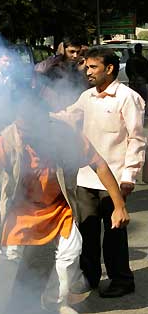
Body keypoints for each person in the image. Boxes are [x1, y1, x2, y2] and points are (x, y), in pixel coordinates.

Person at [0, 81, 131, 314]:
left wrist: (118, 205)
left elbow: (100, 165)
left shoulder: (64, 133)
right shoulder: (8, 139)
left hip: (58, 206)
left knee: (72, 250)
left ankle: (54, 302)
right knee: (8, 257)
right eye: (20, 125)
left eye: (30, 126)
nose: (24, 132)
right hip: (22, 209)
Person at [57, 48, 146, 298]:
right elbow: (66, 116)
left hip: (114, 179)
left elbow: (137, 140)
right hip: (86, 177)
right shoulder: (86, 97)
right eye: (86, 67)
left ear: (109, 69)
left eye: (93, 67)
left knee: (115, 233)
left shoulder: (127, 98)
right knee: (87, 230)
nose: (88, 72)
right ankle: (90, 276)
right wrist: (39, 117)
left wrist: (129, 177)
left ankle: (121, 279)